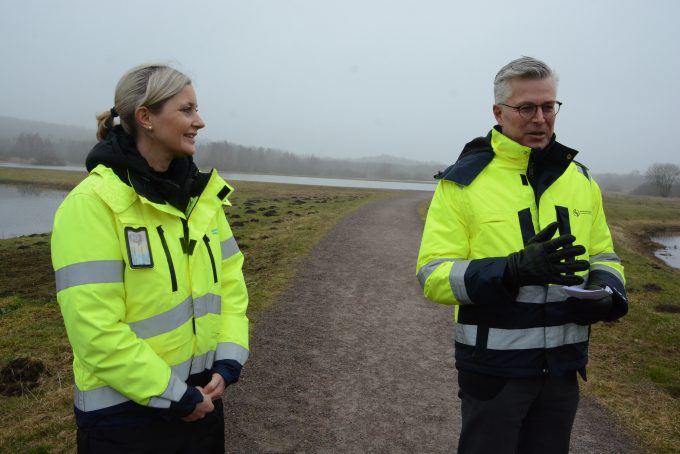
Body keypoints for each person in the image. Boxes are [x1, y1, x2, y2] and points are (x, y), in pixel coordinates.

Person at [416, 56, 628, 454]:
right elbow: (432, 275)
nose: (540, 118)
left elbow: (604, 254)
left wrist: (607, 290)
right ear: (499, 112)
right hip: (494, 372)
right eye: (526, 108)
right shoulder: (462, 183)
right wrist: (511, 270)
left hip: (563, 368)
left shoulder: (580, 180)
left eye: (549, 106)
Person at [51, 63, 249, 453]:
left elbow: (231, 289)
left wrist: (227, 363)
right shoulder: (91, 206)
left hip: (201, 406)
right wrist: (171, 394)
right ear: (146, 118)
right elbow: (95, 329)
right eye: (187, 110)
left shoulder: (202, 202)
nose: (200, 121)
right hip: (125, 422)